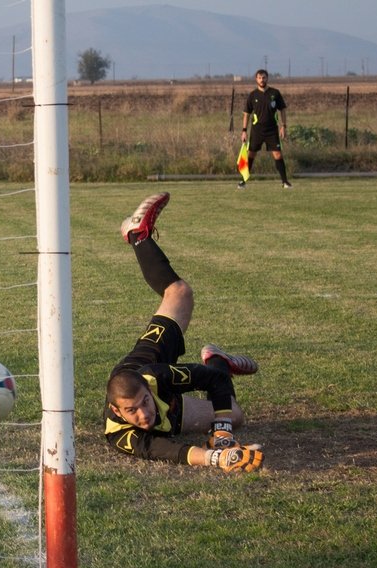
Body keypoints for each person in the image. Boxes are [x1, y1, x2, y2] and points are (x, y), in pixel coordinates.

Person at [104, 192, 264, 473]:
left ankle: (138, 235)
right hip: (174, 413)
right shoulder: (120, 435)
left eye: (144, 401)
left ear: (147, 386)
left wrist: (222, 432)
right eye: (133, 411)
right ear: (118, 412)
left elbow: (212, 382)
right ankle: (217, 358)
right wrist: (218, 457)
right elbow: (167, 450)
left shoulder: (155, 376)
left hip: (148, 358)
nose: (145, 413)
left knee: (180, 292)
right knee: (235, 414)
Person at [239, 69, 291, 188]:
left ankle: (285, 182)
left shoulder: (275, 93)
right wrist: (244, 131)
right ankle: (243, 181)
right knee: (250, 155)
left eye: (264, 77)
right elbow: (246, 114)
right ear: (256, 79)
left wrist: (283, 126)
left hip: (272, 130)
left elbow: (282, 110)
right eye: (259, 78)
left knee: (278, 154)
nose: (262, 80)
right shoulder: (252, 95)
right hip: (257, 131)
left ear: (267, 78)